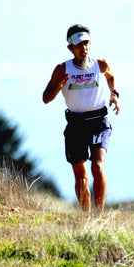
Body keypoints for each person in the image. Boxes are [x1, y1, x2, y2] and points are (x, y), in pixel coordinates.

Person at [42, 24, 120, 213]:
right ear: (70, 48)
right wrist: (60, 85)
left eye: (86, 44)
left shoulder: (100, 64)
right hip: (75, 124)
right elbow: (46, 98)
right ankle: (86, 215)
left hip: (98, 122)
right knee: (80, 175)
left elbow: (110, 76)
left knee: (97, 166)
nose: (83, 48)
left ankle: (99, 215)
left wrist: (114, 94)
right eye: (79, 45)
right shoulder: (62, 69)